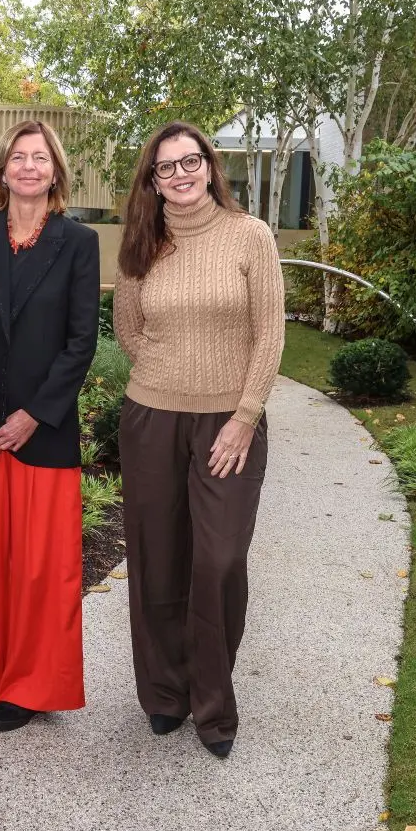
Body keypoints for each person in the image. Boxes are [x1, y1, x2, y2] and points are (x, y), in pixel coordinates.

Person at [112, 121, 284, 759]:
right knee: (157, 560)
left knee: (218, 561)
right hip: (151, 419)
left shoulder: (250, 235)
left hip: (228, 423)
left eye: (190, 162)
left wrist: (245, 413)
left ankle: (213, 705)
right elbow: (128, 328)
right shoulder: (142, 243)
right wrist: (166, 376)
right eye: (166, 167)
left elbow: (269, 332)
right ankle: (164, 694)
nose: (180, 175)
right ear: (153, 182)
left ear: (210, 167)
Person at [0, 119, 101, 732]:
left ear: (55, 172)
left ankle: (29, 687)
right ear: (2, 171)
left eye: (40, 158)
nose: (29, 167)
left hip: (43, 433)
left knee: (39, 567)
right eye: (18, 157)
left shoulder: (78, 243)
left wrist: (35, 414)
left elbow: (81, 341)